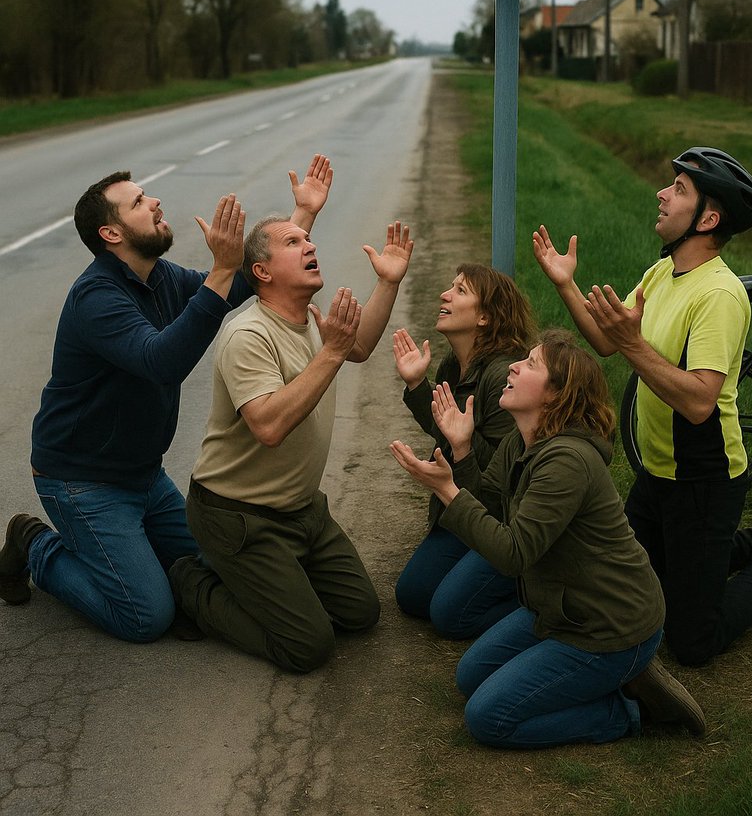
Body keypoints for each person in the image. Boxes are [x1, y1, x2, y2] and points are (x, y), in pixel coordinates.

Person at [0, 155, 334, 643]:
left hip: (143, 475)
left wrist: (301, 216)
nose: (155, 201)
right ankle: (35, 545)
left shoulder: (161, 278)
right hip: (82, 481)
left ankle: (130, 555)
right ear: (111, 234)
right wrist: (221, 269)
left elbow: (241, 284)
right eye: (138, 202)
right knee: (146, 617)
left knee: (214, 567)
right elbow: (161, 361)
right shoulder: (96, 298)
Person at [533, 146, 752, 667]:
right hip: (657, 473)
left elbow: (699, 402)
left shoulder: (719, 295)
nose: (661, 193)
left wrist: (634, 345)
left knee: (692, 641)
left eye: (678, 189)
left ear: (708, 218)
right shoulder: (661, 274)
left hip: (704, 481)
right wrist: (564, 283)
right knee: (629, 588)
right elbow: (607, 341)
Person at [391, 329, 705, 748]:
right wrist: (462, 450)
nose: (514, 366)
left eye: (530, 364)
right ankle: (617, 678)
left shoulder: (568, 462)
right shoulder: (522, 441)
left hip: (607, 625)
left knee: (488, 718)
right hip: (559, 609)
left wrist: (448, 491)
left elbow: (513, 554)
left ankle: (632, 708)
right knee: (469, 676)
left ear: (556, 394)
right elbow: (489, 508)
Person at [169, 212, 414, 674]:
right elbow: (268, 427)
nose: (310, 245)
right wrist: (332, 351)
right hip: (239, 516)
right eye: (293, 242)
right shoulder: (248, 334)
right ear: (262, 272)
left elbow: (358, 346)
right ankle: (192, 583)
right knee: (307, 647)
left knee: (361, 614)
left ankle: (275, 578)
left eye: (308, 239)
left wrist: (388, 282)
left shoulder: (311, 323)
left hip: (303, 511)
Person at [392, 264, 535, 637]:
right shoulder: (453, 365)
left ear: (485, 317)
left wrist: (463, 445)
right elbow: (448, 429)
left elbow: (506, 477)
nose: (445, 294)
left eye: (460, 290)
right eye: (450, 286)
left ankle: (538, 597)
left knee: (448, 614)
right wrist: (418, 385)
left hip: (502, 519)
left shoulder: (503, 376)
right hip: (465, 503)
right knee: (413, 595)